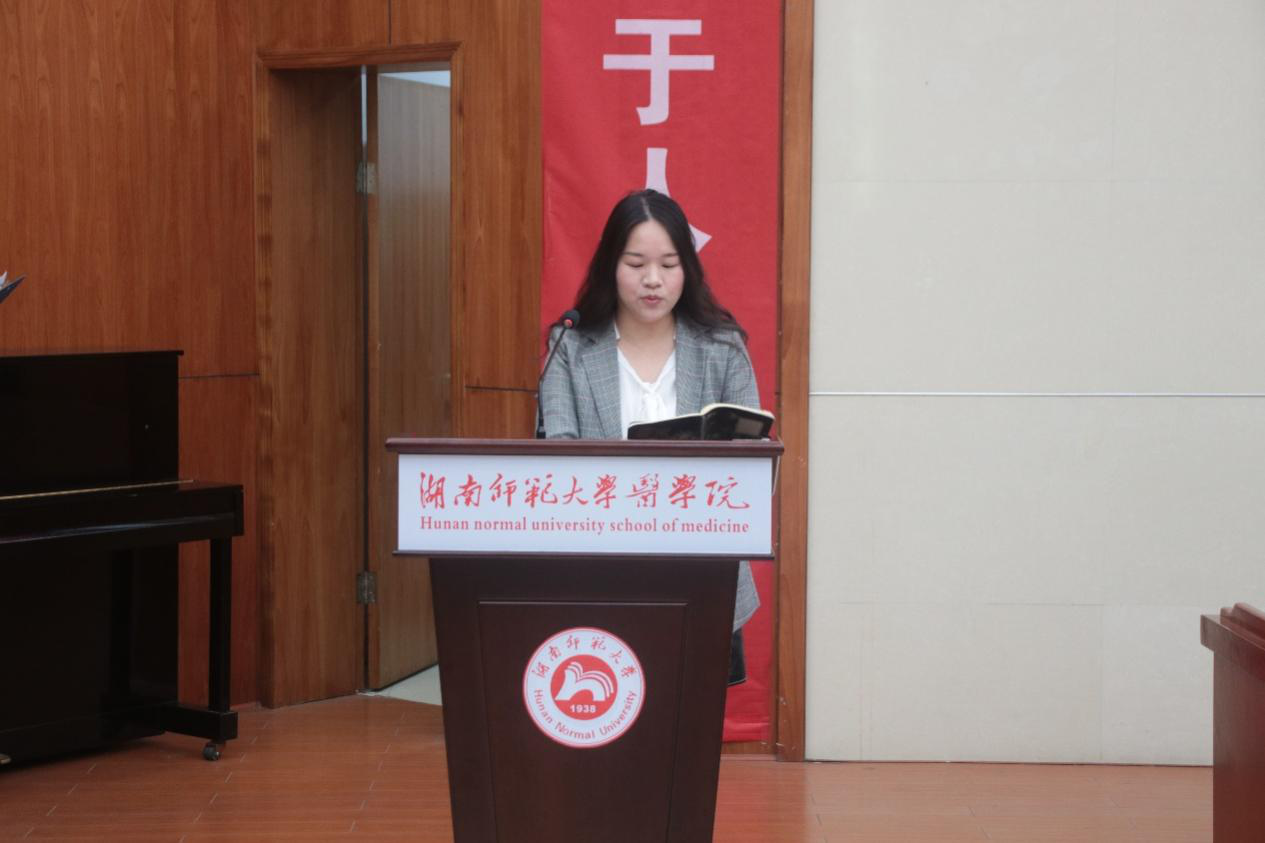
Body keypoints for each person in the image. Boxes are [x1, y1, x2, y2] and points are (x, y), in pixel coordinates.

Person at [539, 188, 760, 683]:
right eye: (636, 264)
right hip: (599, 573)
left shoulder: (723, 348)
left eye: (669, 264)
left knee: (691, 713)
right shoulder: (570, 347)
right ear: (610, 266)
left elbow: (754, 467)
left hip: (704, 572)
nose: (653, 279)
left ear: (688, 269)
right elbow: (559, 463)